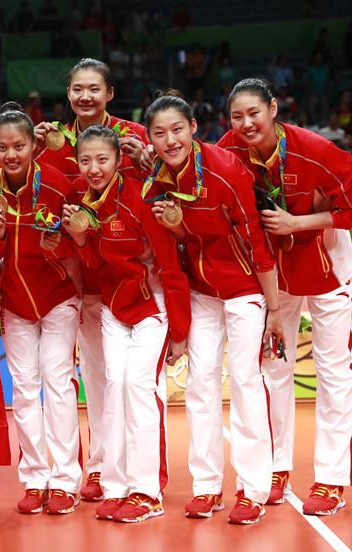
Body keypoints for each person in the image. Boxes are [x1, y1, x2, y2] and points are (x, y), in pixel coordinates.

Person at [219, 78, 352, 516]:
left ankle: (330, 479)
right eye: (237, 116)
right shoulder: (229, 151)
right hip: (274, 277)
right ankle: (274, 467)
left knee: (335, 371)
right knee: (273, 369)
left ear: (273, 109)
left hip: (326, 271)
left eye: (254, 113)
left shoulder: (319, 152)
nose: (247, 124)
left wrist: (297, 224)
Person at [145, 94, 282, 524]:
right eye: (160, 133)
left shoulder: (225, 170)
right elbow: (181, 246)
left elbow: (255, 239)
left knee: (244, 380)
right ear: (150, 138)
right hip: (203, 292)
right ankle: (206, 487)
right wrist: (178, 227)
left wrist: (273, 308)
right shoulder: (156, 183)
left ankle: (253, 488)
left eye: (177, 130)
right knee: (200, 385)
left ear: (193, 128)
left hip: (244, 289)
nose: (170, 140)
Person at [62, 125, 190, 523]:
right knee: (112, 387)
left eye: (102, 159)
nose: (94, 168)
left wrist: (180, 334)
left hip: (153, 308)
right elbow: (94, 269)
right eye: (86, 160)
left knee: (138, 387)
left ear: (119, 160)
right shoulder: (83, 204)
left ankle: (147, 490)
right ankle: (117, 487)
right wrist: (81, 240)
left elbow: (171, 267)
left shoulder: (141, 199)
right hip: (115, 310)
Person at [34, 58, 149, 503]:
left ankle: (134, 471)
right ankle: (100, 468)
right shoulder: (55, 143)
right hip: (83, 279)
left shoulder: (134, 138)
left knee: (131, 384)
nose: (85, 97)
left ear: (110, 94)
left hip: (131, 280)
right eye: (77, 89)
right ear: (68, 95)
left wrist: (145, 161)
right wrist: (37, 149)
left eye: (94, 89)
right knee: (98, 379)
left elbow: (153, 196)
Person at [0, 106, 82, 515]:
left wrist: (67, 245)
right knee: (23, 391)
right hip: (16, 302)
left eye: (19, 145)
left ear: (34, 145)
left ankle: (66, 480)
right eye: (2, 147)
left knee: (57, 383)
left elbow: (80, 241)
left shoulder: (58, 185)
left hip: (58, 297)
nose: (11, 154)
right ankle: (35, 477)